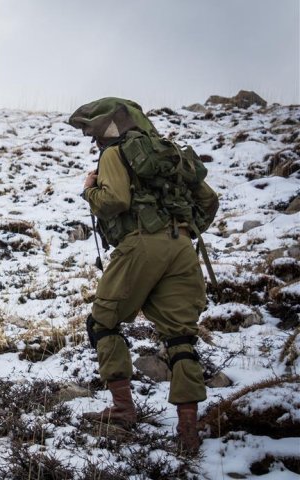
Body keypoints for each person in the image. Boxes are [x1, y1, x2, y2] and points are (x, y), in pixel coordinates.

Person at [68, 97, 219, 453]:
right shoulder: (170, 155)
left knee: (103, 322)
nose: (94, 140)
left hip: (141, 245)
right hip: (182, 248)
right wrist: (184, 230)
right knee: (180, 337)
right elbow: (209, 201)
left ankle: (123, 409)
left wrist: (89, 188)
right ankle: (188, 430)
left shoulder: (114, 153)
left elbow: (115, 200)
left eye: (95, 133)